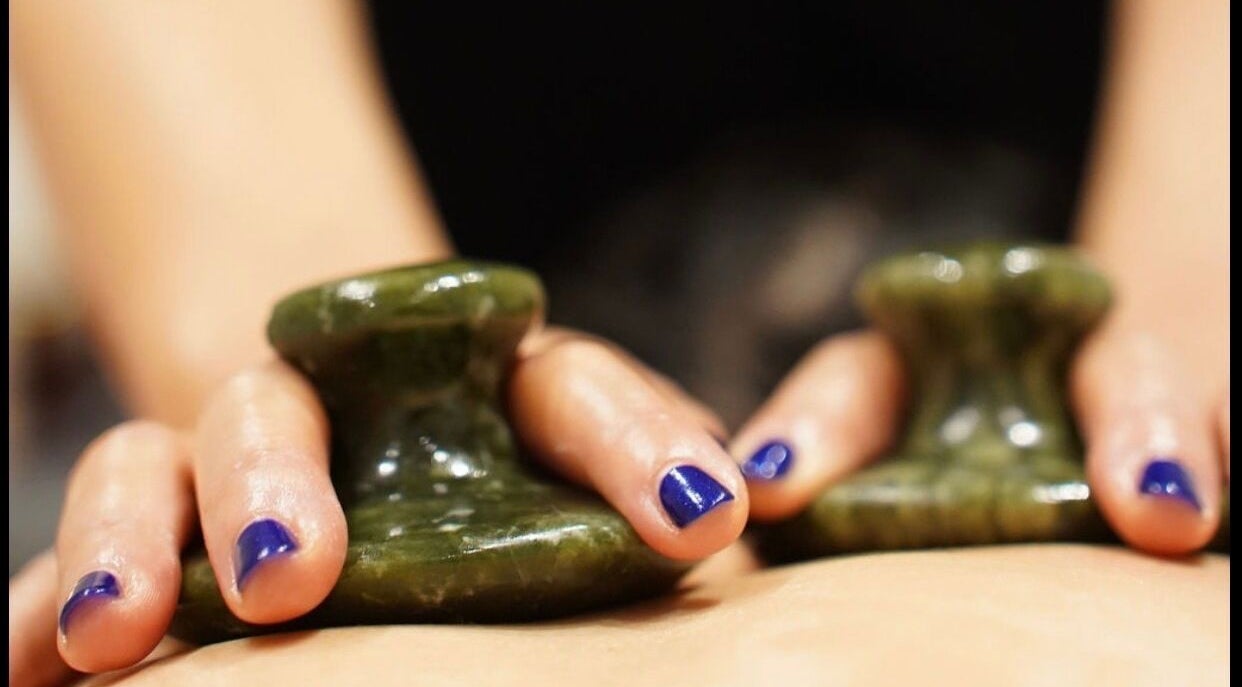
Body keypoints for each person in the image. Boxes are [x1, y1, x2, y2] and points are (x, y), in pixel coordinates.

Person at [8, 1, 1228, 685]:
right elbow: (305, 275)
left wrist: (1138, 389)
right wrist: (333, 442)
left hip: (1101, 242)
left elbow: (1196, 282)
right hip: (418, 266)